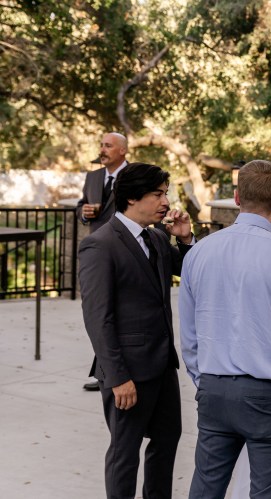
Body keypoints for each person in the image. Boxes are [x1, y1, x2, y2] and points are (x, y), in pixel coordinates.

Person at [179, 160, 271, 499]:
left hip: (214, 388)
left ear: (237, 197)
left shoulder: (199, 252)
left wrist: (203, 379)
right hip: (269, 395)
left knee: (206, 489)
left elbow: (189, 331)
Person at [78, 162, 194, 499]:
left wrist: (186, 239)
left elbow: (189, 271)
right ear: (132, 198)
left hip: (162, 365)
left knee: (167, 440)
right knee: (124, 452)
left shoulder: (156, 237)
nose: (165, 202)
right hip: (126, 372)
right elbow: (98, 318)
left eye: (165, 193)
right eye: (158, 194)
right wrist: (118, 377)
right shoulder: (100, 245)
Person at [77, 132, 130, 392]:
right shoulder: (93, 176)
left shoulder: (134, 175)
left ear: (122, 150)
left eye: (108, 146)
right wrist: (83, 212)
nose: (102, 150)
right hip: (98, 254)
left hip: (125, 251)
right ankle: (106, 373)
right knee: (100, 312)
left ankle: (114, 372)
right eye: (101, 145)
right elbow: (81, 205)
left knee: (120, 312)